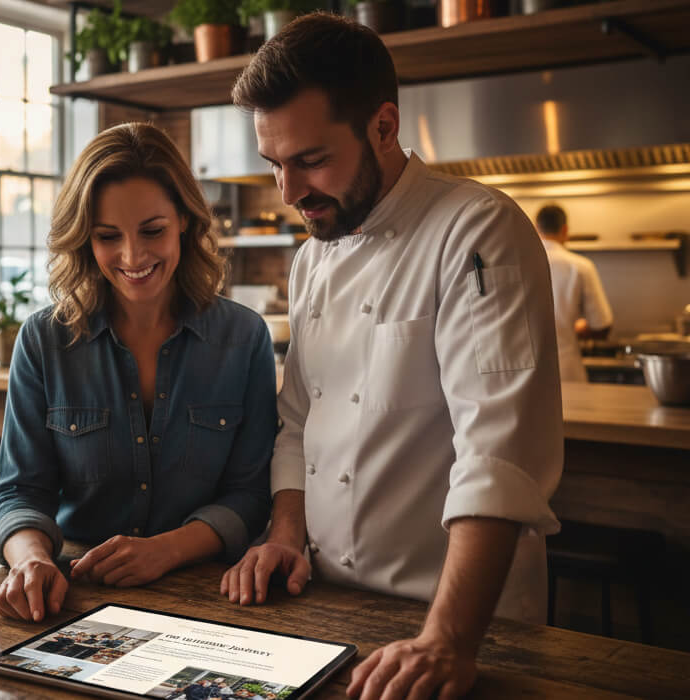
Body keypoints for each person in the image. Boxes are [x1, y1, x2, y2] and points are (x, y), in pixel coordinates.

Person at [219, 14, 563, 700]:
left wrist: (448, 640)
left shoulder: (477, 230)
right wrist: (286, 531)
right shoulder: (312, 259)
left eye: (310, 160)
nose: (289, 193)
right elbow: (298, 420)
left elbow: (498, 454)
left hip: (458, 625)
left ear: (383, 126)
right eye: (274, 165)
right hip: (326, 606)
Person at [0, 122, 276, 622]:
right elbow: (20, 491)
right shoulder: (43, 340)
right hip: (73, 595)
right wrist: (31, 559)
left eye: (152, 230)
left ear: (184, 219)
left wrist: (167, 550)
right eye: (107, 237)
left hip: (213, 598)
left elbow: (249, 494)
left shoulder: (245, 338)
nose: (132, 256)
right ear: (84, 238)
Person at [535, 203, 614, 382]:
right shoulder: (580, 266)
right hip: (566, 369)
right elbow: (602, 327)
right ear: (565, 230)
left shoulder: (520, 263)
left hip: (528, 375)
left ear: (536, 227)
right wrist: (577, 326)